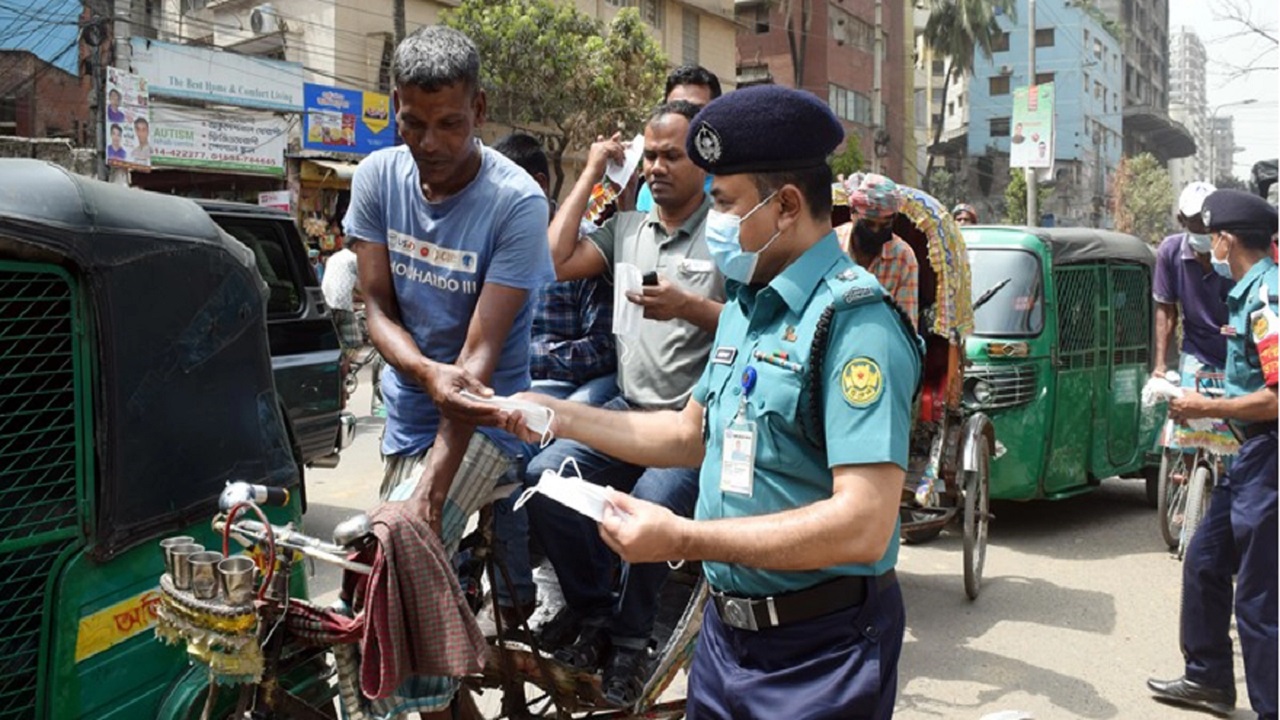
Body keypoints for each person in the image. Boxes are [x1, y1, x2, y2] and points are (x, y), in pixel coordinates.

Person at [502, 84, 922, 719]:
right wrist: (549, 413)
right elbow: (685, 434)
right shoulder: (749, 307)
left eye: (725, 204)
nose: (716, 223)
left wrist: (685, 536)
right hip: (726, 641)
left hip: (819, 651)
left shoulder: (855, 324)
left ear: (784, 206)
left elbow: (864, 524)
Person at [343, 25, 553, 719]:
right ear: (394, 106)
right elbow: (374, 307)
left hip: (491, 417)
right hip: (412, 409)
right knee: (369, 578)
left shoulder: (516, 202)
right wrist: (423, 376)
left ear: (480, 109)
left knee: (399, 558)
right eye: (413, 122)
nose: (430, 142)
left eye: (450, 124)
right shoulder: (376, 177)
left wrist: (429, 493)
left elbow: (477, 361)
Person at [529, 99, 725, 707]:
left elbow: (755, 323)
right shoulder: (627, 229)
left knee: (646, 512)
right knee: (542, 480)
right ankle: (593, 616)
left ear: (701, 162)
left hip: (689, 425)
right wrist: (590, 171)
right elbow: (552, 261)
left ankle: (632, 641)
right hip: (625, 410)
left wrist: (690, 306)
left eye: (672, 155)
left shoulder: (726, 234)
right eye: (651, 155)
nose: (659, 166)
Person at [1149, 189, 1278, 720]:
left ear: (1225, 238)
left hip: (1270, 460)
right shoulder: (1247, 290)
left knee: (1259, 598)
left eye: (1213, 236)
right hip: (1249, 460)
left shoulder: (1266, 298)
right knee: (1203, 559)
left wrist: (1207, 404)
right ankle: (1208, 679)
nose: (1209, 246)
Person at [486, 131, 619, 629]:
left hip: (568, 389)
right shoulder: (498, 246)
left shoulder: (584, 251)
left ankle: (518, 597)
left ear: (537, 185)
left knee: (522, 463)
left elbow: (603, 349)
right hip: (520, 385)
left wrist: (527, 358)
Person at [1153, 182, 1233, 384]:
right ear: (1181, 220)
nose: (1205, 227)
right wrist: (1160, 363)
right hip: (1196, 351)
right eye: (1197, 221)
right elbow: (1167, 310)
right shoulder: (1170, 251)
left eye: (1209, 220)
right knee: (1187, 409)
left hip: (1237, 351)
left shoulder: (1235, 250)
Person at [634, 65, 722, 212]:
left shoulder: (737, 183)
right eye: (675, 108)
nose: (685, 118)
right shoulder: (650, 190)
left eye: (697, 111)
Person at [836, 173, 920, 326]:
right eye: (868, 225)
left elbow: (906, 327)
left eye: (884, 226)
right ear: (852, 213)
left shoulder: (903, 258)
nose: (875, 232)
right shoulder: (831, 246)